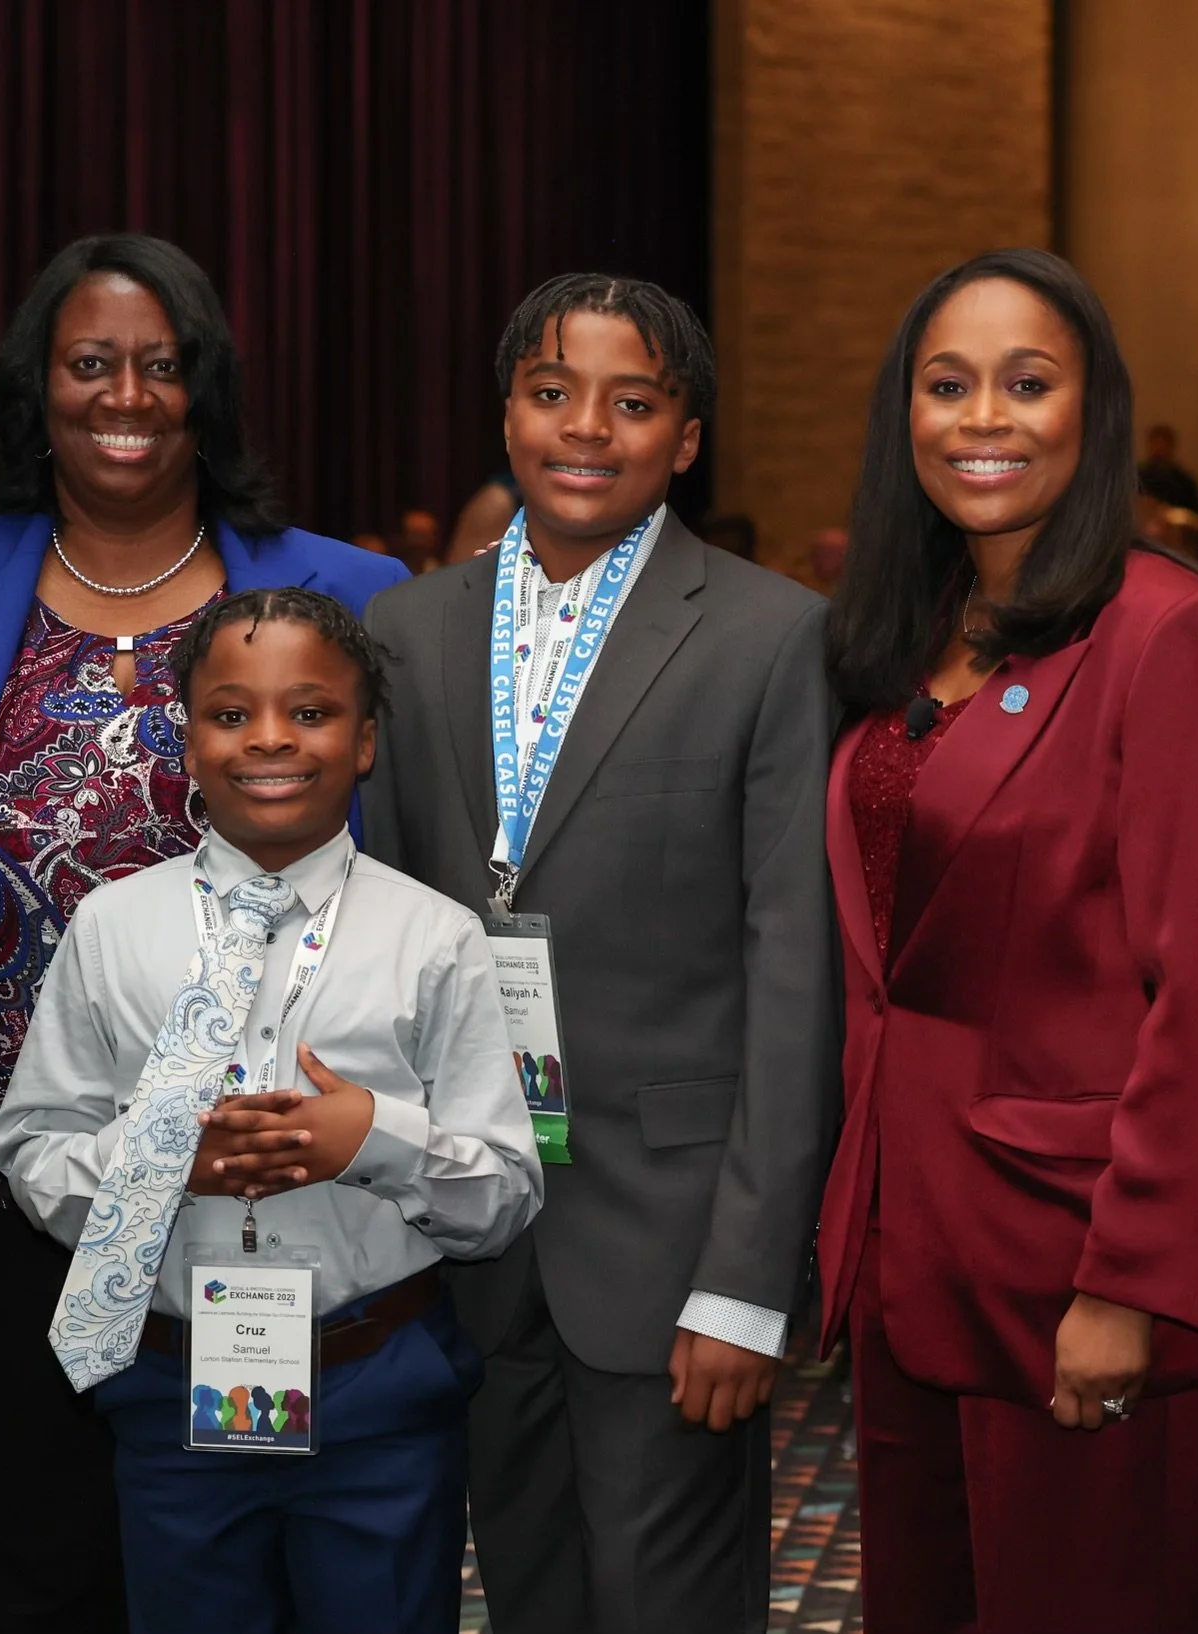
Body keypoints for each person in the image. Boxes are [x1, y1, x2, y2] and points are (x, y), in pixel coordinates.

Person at [0, 234, 404, 1633]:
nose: (126, 392)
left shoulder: (351, 594)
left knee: (261, 1569)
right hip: (18, 1206)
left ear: (205, 389)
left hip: (264, 1198)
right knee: (46, 1570)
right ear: (35, 389)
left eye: (161, 364)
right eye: (90, 363)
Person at [361, 275, 837, 1634]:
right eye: (552, 392)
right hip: (468, 1233)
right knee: (526, 1594)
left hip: (671, 1239)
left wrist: (750, 1280)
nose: (588, 428)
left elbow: (796, 974)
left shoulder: (771, 635)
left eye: (634, 403)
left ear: (685, 438)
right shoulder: (409, 631)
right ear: (507, 411)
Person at [816, 248, 1198, 1633]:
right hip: (910, 1253)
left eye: (1029, 383)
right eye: (946, 385)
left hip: (1076, 1264)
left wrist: (1129, 1283)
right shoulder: (907, 634)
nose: (983, 418)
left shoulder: (1177, 631)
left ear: (1095, 411)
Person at [0, 589, 542, 1634]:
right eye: (231, 713)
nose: (272, 739)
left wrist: (372, 1138)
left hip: (377, 1384)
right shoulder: (112, 928)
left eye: (312, 710)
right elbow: (32, 1153)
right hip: (172, 1383)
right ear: (187, 739)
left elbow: (504, 1191)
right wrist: (164, 1157)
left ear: (366, 739)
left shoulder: (434, 937)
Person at [1135, 423, 1198, 515]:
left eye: (1163, 445)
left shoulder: (1184, 481)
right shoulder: (1137, 477)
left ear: (1171, 447)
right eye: (1155, 444)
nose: (1159, 449)